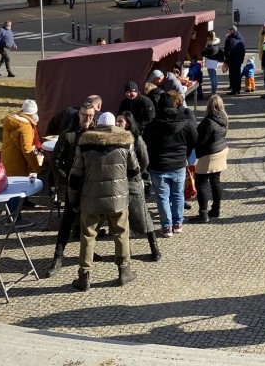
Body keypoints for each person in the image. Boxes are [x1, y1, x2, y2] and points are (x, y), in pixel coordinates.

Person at [68, 111, 140, 290]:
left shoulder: (84, 144)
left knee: (87, 236)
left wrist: (73, 200)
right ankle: (124, 271)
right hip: (118, 199)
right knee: (121, 233)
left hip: (90, 200)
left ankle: (84, 275)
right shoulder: (125, 143)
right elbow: (134, 170)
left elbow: (75, 176)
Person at [47, 100, 97, 277]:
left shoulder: (96, 134)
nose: (88, 118)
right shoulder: (67, 135)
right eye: (85, 115)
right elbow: (56, 161)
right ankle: (58, 257)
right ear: (79, 114)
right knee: (67, 222)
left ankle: (88, 253)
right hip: (72, 187)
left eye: (91, 116)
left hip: (90, 187)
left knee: (89, 222)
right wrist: (67, 180)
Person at [143, 90, 197, 238]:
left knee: (162, 197)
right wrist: (184, 154)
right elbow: (194, 139)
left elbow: (145, 145)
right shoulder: (185, 122)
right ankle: (178, 223)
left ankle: (167, 227)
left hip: (158, 166)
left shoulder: (152, 125)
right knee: (178, 195)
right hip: (178, 164)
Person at [115, 111, 159, 261]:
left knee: (143, 216)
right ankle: (125, 252)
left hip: (133, 182)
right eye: (117, 120)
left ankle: (154, 248)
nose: (117, 123)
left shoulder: (136, 139)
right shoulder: (114, 138)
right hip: (118, 184)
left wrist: (137, 171)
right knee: (122, 219)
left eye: (120, 121)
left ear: (128, 123)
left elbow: (145, 159)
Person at [190, 95, 229, 223]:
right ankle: (216, 209)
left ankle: (203, 213)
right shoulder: (224, 118)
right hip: (221, 150)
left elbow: (200, 139)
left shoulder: (208, 122)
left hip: (210, 153)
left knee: (200, 182)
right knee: (215, 181)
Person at [223, 26, 246, 95]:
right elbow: (244, 49)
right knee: (238, 74)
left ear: (232, 31)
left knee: (233, 74)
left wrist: (226, 60)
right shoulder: (242, 38)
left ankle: (235, 90)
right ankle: (237, 88)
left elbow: (227, 51)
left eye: (229, 30)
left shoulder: (230, 40)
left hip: (232, 60)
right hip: (239, 59)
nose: (228, 32)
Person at [202, 31, 223, 96]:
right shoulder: (215, 46)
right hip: (214, 63)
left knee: (213, 79)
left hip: (210, 65)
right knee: (214, 79)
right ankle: (214, 91)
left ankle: (213, 93)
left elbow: (203, 53)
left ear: (208, 37)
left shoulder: (210, 47)